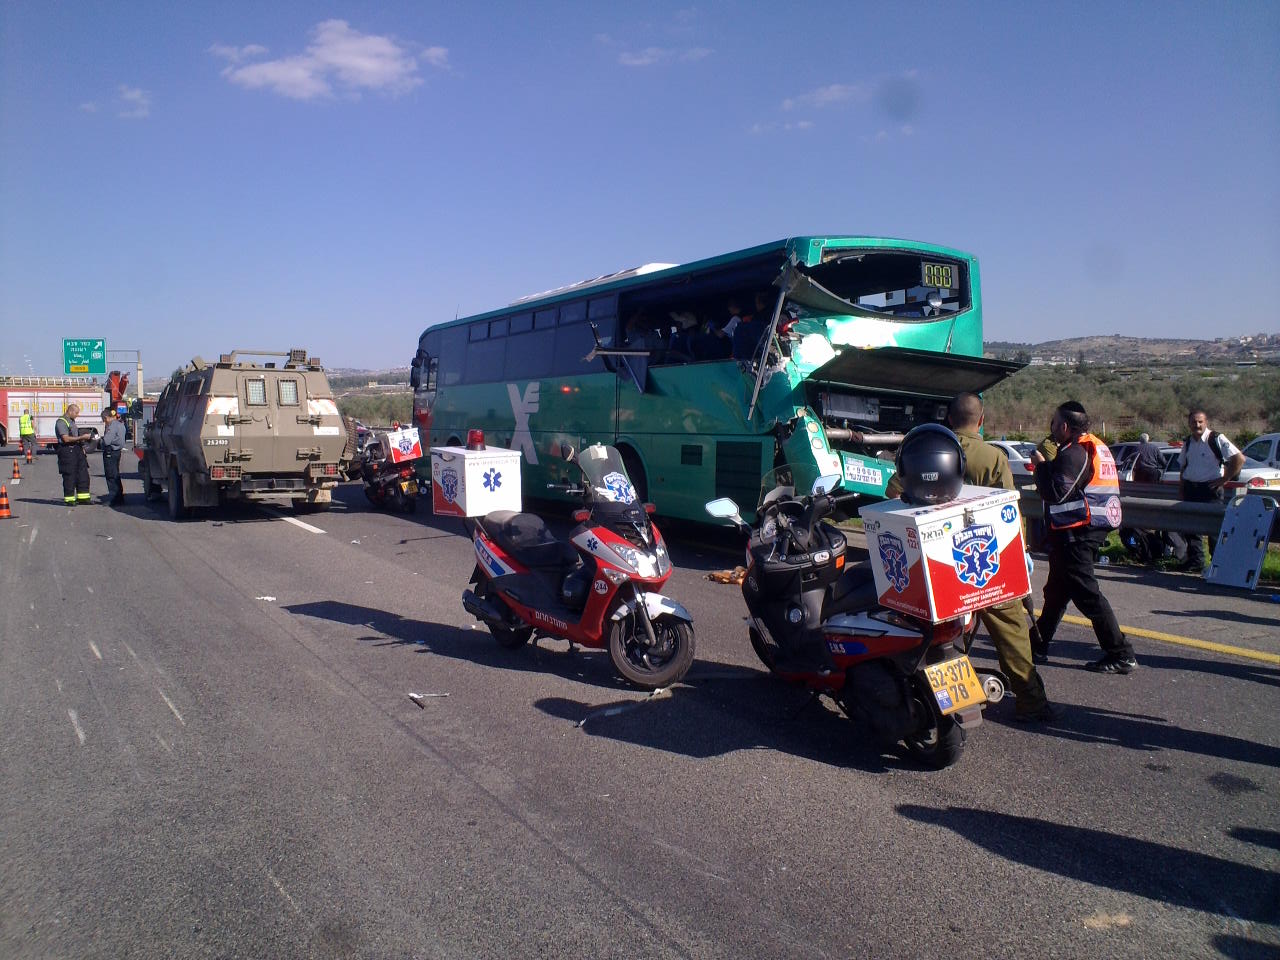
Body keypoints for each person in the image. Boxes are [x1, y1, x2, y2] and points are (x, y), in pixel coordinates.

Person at [945, 393, 1059, 722]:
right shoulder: (993, 457)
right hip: (984, 559)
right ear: (981, 421)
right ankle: (1031, 701)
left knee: (947, 632)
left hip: (940, 564)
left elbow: (896, 491)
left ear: (950, 420)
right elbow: (1007, 510)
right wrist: (1019, 555)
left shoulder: (929, 452)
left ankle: (952, 696)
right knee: (1011, 630)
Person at [1030, 401, 1135, 674]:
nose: (1051, 428)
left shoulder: (1075, 452)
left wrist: (1041, 466)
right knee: (1057, 590)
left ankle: (1120, 652)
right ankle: (1037, 643)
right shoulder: (1094, 445)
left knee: (1085, 593)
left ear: (1064, 426)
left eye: (1053, 423)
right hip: (1079, 528)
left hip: (1079, 530)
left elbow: (1056, 492)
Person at [1176, 409, 1245, 573]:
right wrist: (1181, 489)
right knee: (1190, 528)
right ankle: (1196, 561)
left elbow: (1239, 458)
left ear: (1206, 422)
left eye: (1200, 421)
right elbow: (1183, 467)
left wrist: (1225, 479)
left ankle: (1217, 565)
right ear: (1189, 424)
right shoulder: (1188, 442)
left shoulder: (1216, 438)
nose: (1197, 425)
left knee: (1214, 529)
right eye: (1193, 422)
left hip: (1211, 489)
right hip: (1191, 489)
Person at [54, 403, 93, 506]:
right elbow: (65, 439)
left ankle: (83, 497)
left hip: (77, 449)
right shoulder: (61, 422)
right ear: (70, 411)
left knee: (82, 473)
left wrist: (82, 447)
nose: (77, 415)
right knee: (70, 475)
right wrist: (82, 437)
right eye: (76, 413)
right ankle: (69, 499)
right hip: (67, 450)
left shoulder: (71, 421)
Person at [99, 408, 126, 505]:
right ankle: (119, 497)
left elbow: (107, 441)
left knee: (111, 475)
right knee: (115, 474)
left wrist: (100, 440)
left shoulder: (112, 426)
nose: (104, 422)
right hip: (117, 452)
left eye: (104, 420)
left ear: (106, 417)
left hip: (111, 452)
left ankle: (115, 499)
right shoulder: (120, 424)